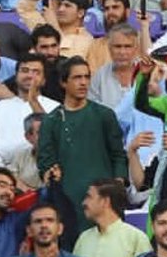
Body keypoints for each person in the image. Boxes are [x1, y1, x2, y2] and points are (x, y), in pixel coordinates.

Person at [38, 58, 127, 232]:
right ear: (64, 82)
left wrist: (117, 187)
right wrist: (49, 172)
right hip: (68, 205)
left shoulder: (104, 115)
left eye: (87, 77)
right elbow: (45, 162)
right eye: (77, 77)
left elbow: (118, 155)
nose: (84, 82)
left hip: (105, 203)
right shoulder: (51, 121)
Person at [0, 53, 60, 168]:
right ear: (16, 76)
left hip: (36, 168)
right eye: (25, 70)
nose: (29, 75)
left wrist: (33, 101)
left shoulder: (55, 108)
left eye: (36, 72)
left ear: (43, 80)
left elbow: (53, 140)